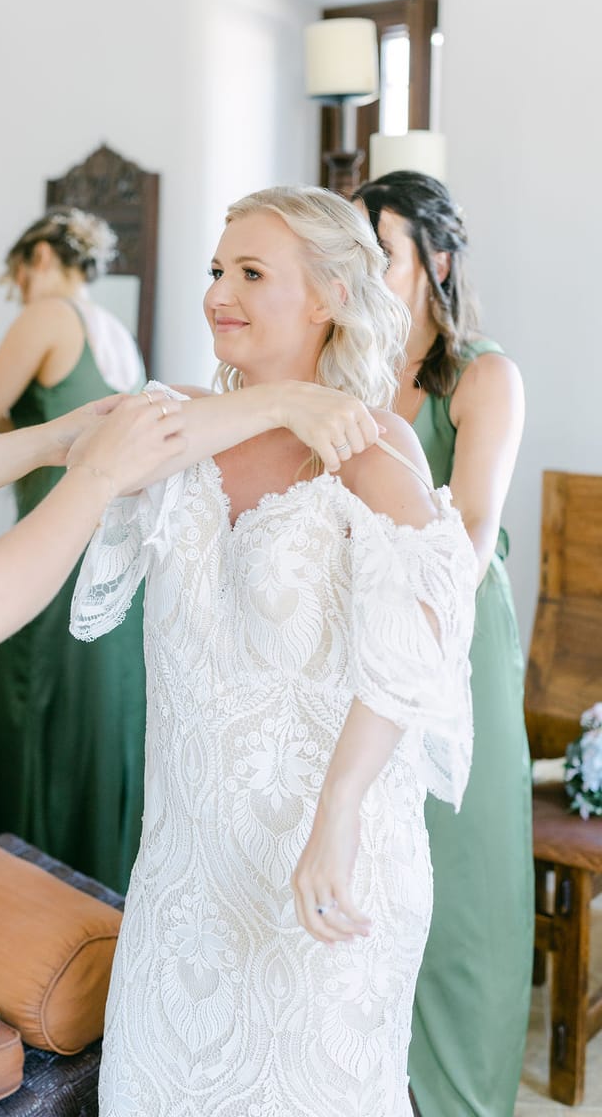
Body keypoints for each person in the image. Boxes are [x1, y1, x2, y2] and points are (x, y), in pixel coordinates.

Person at [0, 47, 383, 1117]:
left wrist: (51, 444)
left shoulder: (369, 455)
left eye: (252, 274)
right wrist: (100, 473)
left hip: (280, 817)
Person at [69, 185, 477, 1116]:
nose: (219, 293)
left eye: (252, 273)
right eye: (218, 269)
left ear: (330, 295)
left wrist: (338, 811)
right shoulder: (175, 428)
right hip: (187, 871)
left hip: (324, 860)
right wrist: (282, 401)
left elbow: (417, 648)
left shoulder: (373, 448)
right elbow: (83, 447)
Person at [353, 169, 531, 1117]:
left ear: (439, 262)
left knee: (461, 874)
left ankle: (464, 1094)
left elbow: (467, 532)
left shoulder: (484, 376)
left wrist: (405, 641)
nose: (363, 274)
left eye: (380, 254)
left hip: (453, 638)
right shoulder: (347, 371)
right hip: (360, 634)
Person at [0, 208, 146, 892]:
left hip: (59, 553)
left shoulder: (48, 316)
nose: (17, 290)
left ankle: (21, 884)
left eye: (16, 275)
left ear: (40, 257)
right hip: (114, 563)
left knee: (28, 703)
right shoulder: (116, 334)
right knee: (95, 723)